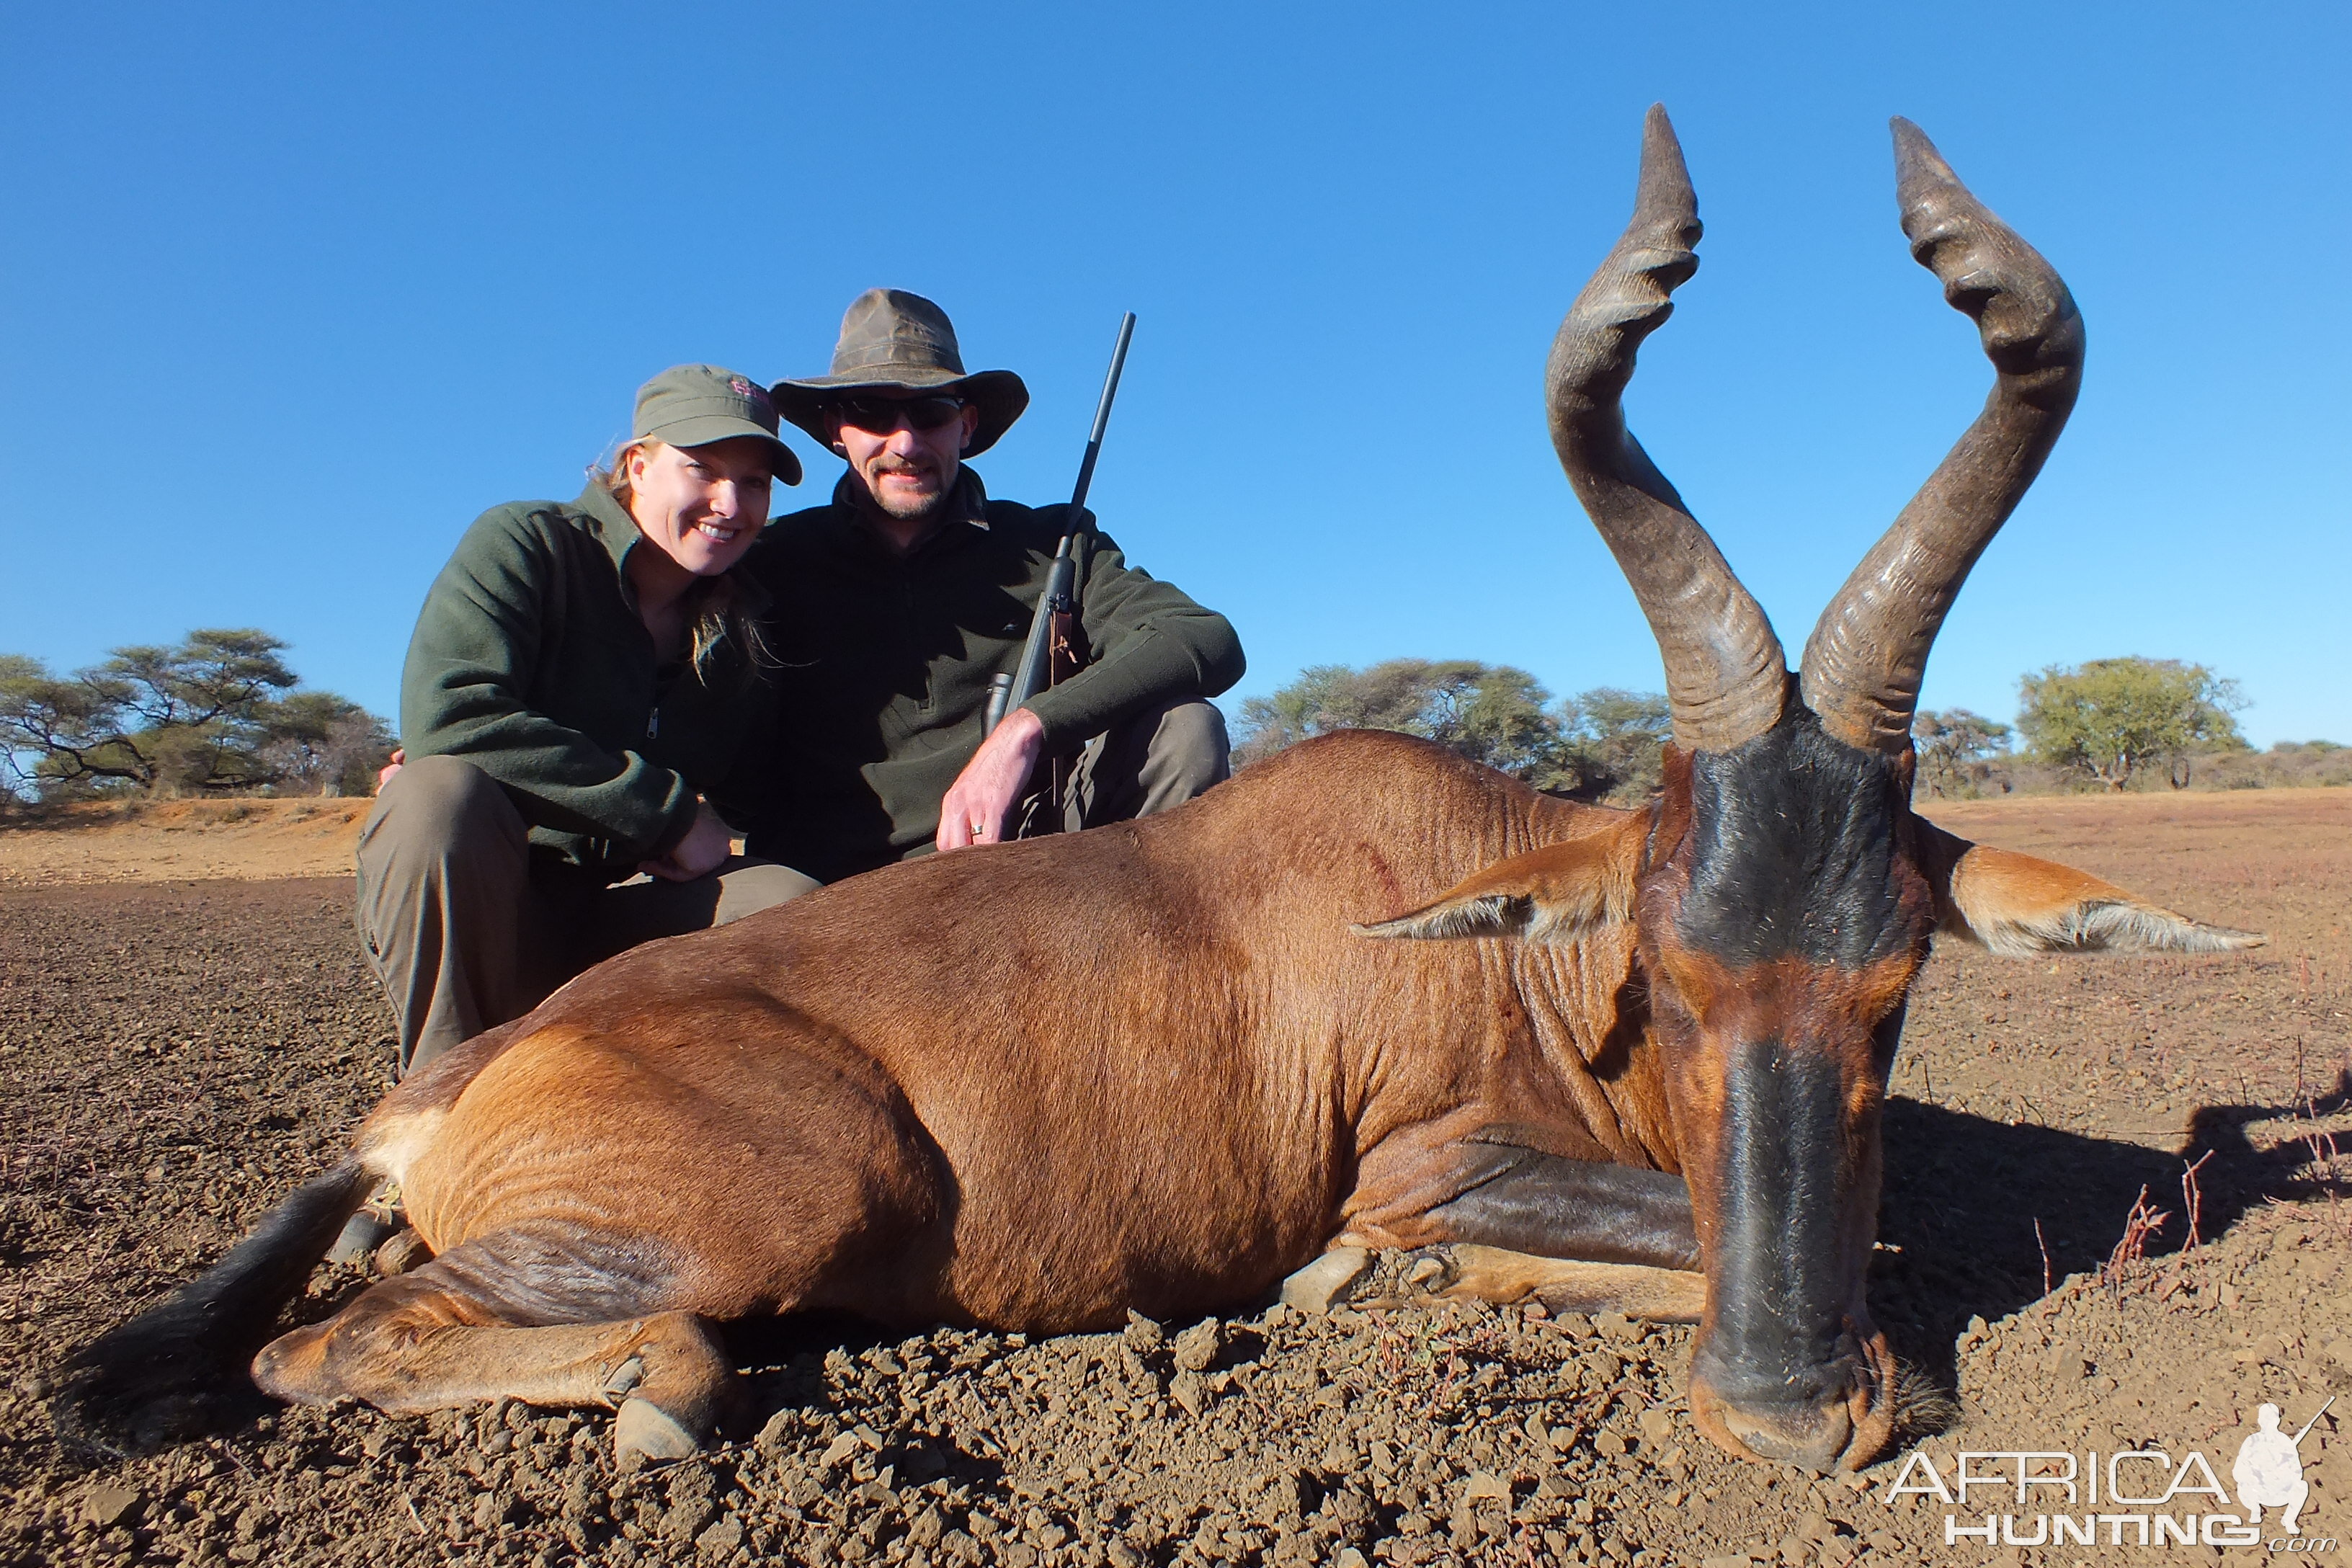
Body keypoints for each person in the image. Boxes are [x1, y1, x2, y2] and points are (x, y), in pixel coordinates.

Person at [355, 365, 819, 1084]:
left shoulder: (745, 622)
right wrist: (665, 815)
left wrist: (708, 824)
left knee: (785, 902)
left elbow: (747, 793)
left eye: (755, 482)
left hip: (610, 931)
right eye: (702, 468)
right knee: (433, 797)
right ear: (638, 465)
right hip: (492, 917)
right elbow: (451, 717)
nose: (730, 503)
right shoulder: (527, 542)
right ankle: (435, 1107)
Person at [743, 290, 1244, 883]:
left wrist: (1025, 730)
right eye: (873, 412)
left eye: (931, 412)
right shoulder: (767, 558)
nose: (905, 442)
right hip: (839, 886)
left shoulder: (1053, 540)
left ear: (967, 424)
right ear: (836, 430)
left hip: (1024, 855)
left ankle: (1154, 963)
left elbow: (1203, 636)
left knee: (1185, 730)